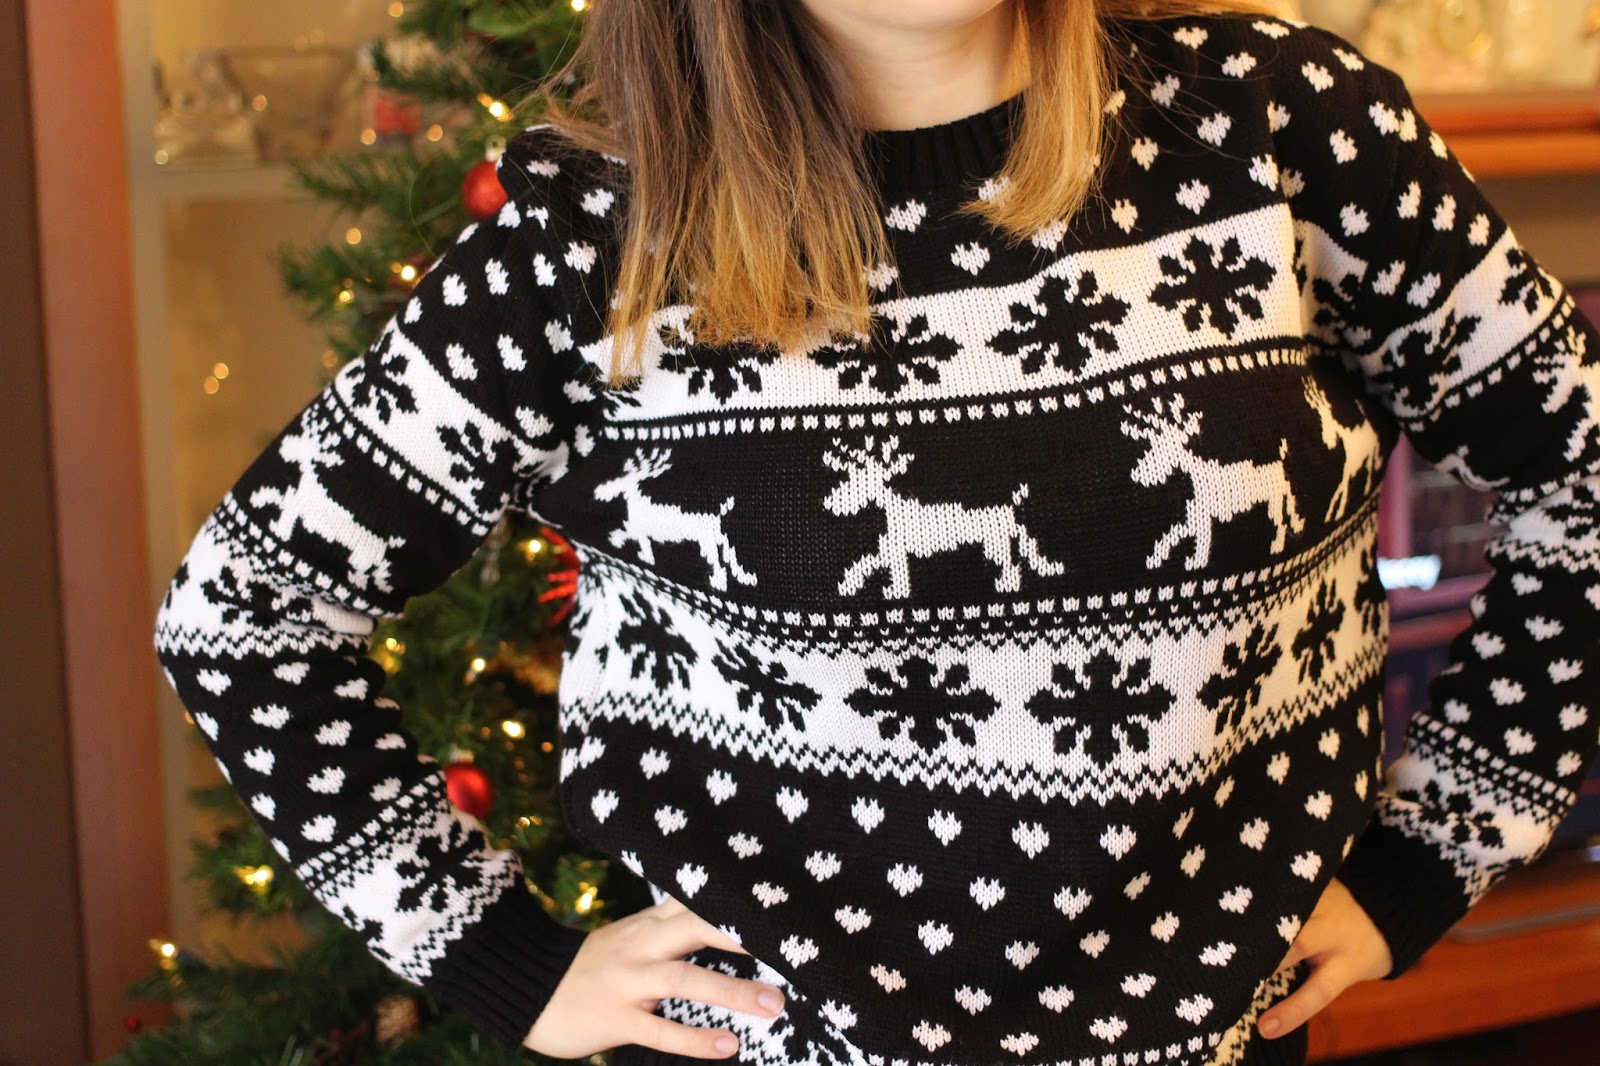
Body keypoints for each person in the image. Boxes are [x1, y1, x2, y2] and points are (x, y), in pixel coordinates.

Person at [152, 0, 1600, 1064]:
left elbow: (1582, 478)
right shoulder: (593, 234)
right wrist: (508, 964)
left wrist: (1431, 854)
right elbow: (247, 612)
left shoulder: (1288, 127)